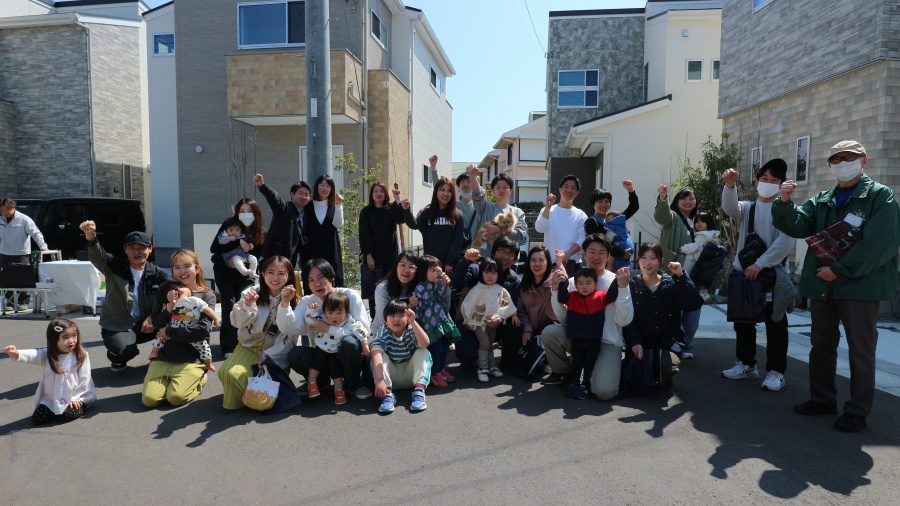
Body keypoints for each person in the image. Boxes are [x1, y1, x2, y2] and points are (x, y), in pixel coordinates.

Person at [773, 140, 899, 432]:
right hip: (823, 285)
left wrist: (840, 270)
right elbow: (798, 225)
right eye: (837, 159)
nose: (843, 163)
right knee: (821, 345)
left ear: (864, 161)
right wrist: (784, 202)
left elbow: (879, 244)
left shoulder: (880, 196)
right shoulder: (823, 199)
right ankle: (822, 398)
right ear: (829, 165)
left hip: (860, 286)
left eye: (849, 158)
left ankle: (857, 410)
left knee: (860, 349)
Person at [720, 161, 795, 391]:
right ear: (756, 181)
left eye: (774, 180)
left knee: (776, 324)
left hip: (773, 276)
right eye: (765, 179)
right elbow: (729, 208)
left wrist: (760, 264)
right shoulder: (747, 208)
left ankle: (776, 372)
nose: (769, 184)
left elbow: (785, 243)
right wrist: (729, 186)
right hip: (745, 274)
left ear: (782, 185)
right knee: (743, 322)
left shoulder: (787, 210)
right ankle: (746, 364)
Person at [541, 234, 634, 401]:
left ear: (608, 256)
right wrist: (555, 290)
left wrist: (624, 288)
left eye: (601, 252)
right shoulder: (573, 282)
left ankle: (596, 373)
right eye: (592, 251)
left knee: (604, 392)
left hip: (607, 343)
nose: (596, 256)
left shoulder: (617, 281)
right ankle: (565, 372)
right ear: (584, 254)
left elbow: (624, 321)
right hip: (579, 338)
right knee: (550, 332)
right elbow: (564, 319)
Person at [80, 221, 171, 372]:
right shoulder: (113, 266)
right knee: (124, 350)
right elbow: (97, 255)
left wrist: (154, 316)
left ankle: (166, 355)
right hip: (120, 325)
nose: (137, 252)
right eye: (132, 248)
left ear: (150, 249)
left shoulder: (159, 274)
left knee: (178, 326)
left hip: (149, 324)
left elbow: (175, 296)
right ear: (125, 249)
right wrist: (90, 235)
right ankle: (117, 355)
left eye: (141, 247)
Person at [218, 255, 300, 410]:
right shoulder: (251, 293)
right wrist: (248, 305)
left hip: (275, 351)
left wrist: (285, 304)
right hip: (249, 346)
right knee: (229, 374)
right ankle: (251, 394)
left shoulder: (294, 300)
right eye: (270, 272)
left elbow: (290, 339)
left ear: (289, 276)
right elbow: (237, 322)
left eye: (281, 273)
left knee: (259, 401)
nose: (275, 278)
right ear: (263, 274)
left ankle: (255, 395)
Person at [284, 258, 373, 400]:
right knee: (295, 354)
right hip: (322, 353)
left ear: (331, 276)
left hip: (346, 354)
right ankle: (320, 382)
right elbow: (290, 327)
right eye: (311, 280)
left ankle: (353, 384)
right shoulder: (307, 302)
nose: (317, 283)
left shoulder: (349, 296)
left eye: (321, 277)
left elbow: (364, 330)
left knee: (350, 343)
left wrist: (329, 328)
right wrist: (284, 304)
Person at [142, 249, 216, 408]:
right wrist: (170, 306)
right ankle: (171, 379)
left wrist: (168, 332)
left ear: (197, 268)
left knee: (176, 398)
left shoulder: (206, 295)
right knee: (150, 400)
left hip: (192, 357)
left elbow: (201, 331)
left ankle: (200, 377)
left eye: (187, 266)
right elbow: (157, 322)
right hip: (165, 355)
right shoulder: (166, 290)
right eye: (177, 267)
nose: (182, 271)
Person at [623, 243, 702, 390]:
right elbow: (628, 319)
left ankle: (661, 372)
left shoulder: (671, 284)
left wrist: (681, 276)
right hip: (641, 344)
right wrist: (634, 341)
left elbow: (694, 304)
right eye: (643, 257)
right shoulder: (632, 284)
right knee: (637, 384)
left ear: (661, 261)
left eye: (653, 258)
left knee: (666, 366)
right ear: (638, 260)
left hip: (666, 344)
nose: (648, 262)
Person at [550, 266, 623, 399]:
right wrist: (564, 281)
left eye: (588, 283)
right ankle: (573, 383)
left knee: (589, 363)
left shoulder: (600, 296)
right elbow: (561, 298)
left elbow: (612, 295)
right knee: (577, 362)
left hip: (594, 340)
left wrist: (617, 280)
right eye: (580, 283)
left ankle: (585, 385)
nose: (584, 287)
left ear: (595, 284)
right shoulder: (572, 297)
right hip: (577, 339)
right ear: (575, 285)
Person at [3, 318, 95, 424]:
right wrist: (16, 353)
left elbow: (85, 378)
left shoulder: (81, 355)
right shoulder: (47, 355)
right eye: (65, 337)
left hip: (76, 396)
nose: (71, 340)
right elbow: (33, 354)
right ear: (54, 340)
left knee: (66, 415)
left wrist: (76, 398)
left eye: (74, 335)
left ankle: (85, 405)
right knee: (38, 418)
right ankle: (55, 409)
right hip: (52, 398)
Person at [451, 237, 522, 370]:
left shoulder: (514, 280)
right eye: (502, 251)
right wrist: (465, 261)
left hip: (494, 325)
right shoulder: (477, 269)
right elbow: (456, 284)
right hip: (470, 323)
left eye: (511, 254)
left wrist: (500, 318)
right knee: (467, 354)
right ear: (493, 253)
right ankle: (471, 353)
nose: (505, 257)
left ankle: (507, 360)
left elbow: (512, 306)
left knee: (516, 325)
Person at [211, 198, 266, 358]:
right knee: (229, 305)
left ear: (256, 213)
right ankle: (228, 347)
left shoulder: (259, 232)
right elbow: (214, 247)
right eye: (242, 211)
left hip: (246, 274)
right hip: (224, 271)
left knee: (244, 303)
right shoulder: (229, 224)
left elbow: (258, 255)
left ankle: (245, 341)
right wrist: (238, 243)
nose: (245, 214)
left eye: (249, 211)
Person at [655, 184, 702, 359]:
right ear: (676, 202)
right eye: (684, 198)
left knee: (693, 314)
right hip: (673, 275)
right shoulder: (673, 217)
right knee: (674, 313)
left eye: (691, 198)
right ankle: (673, 345)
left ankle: (687, 345)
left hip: (694, 277)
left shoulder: (699, 222)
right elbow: (661, 216)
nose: (688, 201)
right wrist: (662, 198)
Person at [304, 291, 369, 405]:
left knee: (335, 369)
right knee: (316, 363)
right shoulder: (322, 318)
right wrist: (311, 310)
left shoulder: (349, 321)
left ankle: (339, 390)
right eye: (330, 312)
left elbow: (360, 331)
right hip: (321, 347)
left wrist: (364, 344)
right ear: (325, 311)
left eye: (339, 313)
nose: (334, 316)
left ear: (346, 312)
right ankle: (312, 383)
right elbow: (310, 320)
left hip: (335, 351)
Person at [460, 257, 518, 383]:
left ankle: (491, 366)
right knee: (485, 343)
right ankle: (482, 368)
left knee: (490, 343)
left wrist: (509, 314)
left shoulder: (500, 289)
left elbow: (508, 303)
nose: (490, 276)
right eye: (486, 272)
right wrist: (467, 320)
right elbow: (467, 305)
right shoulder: (477, 289)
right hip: (478, 322)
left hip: (492, 322)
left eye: (493, 273)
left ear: (498, 274)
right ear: (481, 273)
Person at [370, 300, 432, 414]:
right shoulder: (383, 331)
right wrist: (379, 380)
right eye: (392, 316)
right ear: (385, 320)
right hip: (390, 378)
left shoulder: (411, 328)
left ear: (407, 318)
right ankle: (387, 395)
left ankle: (419, 392)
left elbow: (425, 343)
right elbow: (375, 352)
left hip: (410, 376)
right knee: (377, 354)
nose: (396, 319)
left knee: (423, 351)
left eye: (401, 315)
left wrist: (413, 322)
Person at [398, 173, 465, 274]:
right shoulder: (427, 212)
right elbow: (414, 225)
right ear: (436, 192)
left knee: (445, 285)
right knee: (429, 285)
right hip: (429, 265)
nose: (446, 194)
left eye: (449, 191)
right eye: (442, 190)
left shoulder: (457, 215)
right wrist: (407, 210)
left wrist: (450, 262)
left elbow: (457, 241)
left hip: (448, 267)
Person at [148, 282, 220, 372]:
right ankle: (208, 364)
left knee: (159, 339)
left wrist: (170, 305)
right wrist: (216, 319)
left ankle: (154, 353)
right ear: (181, 290)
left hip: (173, 330)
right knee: (204, 348)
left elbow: (164, 319)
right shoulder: (194, 300)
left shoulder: (170, 304)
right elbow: (207, 310)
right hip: (189, 331)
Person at [359, 181, 405, 317]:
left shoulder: (391, 208)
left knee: (391, 290)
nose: (378, 194)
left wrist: (397, 199)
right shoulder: (366, 212)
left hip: (391, 257)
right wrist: (368, 255)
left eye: (381, 191)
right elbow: (363, 235)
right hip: (373, 258)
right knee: (374, 293)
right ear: (371, 194)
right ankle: (375, 320)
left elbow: (401, 219)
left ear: (385, 194)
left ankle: (392, 318)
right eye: (376, 191)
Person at [411, 255, 457, 388]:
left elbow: (443, 291)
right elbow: (418, 308)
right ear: (423, 272)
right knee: (436, 348)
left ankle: (441, 369)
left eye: (438, 269)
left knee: (444, 347)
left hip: (441, 321)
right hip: (429, 324)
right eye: (433, 270)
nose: (437, 272)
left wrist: (442, 278)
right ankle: (435, 373)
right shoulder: (420, 288)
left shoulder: (438, 284)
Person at [466, 164, 528, 256]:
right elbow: (477, 194)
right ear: (493, 190)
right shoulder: (485, 207)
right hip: (486, 258)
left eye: (505, 187)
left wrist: (499, 230)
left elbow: (520, 236)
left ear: (510, 191)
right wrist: (472, 175)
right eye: (498, 187)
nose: (501, 190)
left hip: (509, 259)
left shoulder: (517, 212)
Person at [0, 197, 49, 311]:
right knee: (6, 279)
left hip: (21, 253)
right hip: (4, 252)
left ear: (12, 207)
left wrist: (43, 246)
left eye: (6, 210)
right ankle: (10, 302)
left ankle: (23, 301)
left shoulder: (24, 219)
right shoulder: (0, 220)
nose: (4, 213)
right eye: (1, 210)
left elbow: (36, 233)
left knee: (23, 278)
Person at [253, 174, 310, 268]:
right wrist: (262, 185)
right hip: (272, 260)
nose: (303, 197)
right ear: (292, 194)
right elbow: (274, 198)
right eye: (300, 193)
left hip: (288, 263)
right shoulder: (285, 208)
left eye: (307, 195)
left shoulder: (305, 216)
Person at [535, 175, 587, 276]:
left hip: (572, 263)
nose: (569, 190)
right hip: (549, 262)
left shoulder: (581, 215)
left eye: (573, 188)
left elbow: (582, 239)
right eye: (566, 187)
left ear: (577, 193)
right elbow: (539, 228)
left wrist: (567, 255)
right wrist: (548, 207)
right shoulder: (548, 210)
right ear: (560, 190)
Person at [515, 246, 561, 358]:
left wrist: (559, 263)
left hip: (548, 328)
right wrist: (527, 330)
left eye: (541, 260)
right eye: (533, 260)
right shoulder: (523, 285)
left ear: (548, 262)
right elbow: (520, 312)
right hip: (528, 327)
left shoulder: (554, 282)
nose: (537, 264)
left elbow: (563, 277)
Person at [584, 180, 640, 267]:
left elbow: (634, 207)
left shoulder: (614, 219)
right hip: (602, 266)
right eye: (600, 201)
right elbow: (600, 244)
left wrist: (630, 190)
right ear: (593, 204)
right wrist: (622, 254)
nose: (604, 205)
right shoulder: (591, 222)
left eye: (606, 201)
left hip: (622, 265)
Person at [303, 175, 344, 287]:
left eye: (328, 186)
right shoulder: (308, 206)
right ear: (317, 186)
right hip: (311, 251)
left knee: (333, 282)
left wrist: (338, 205)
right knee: (312, 280)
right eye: (322, 185)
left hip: (331, 250)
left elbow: (338, 224)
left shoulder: (334, 205)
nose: (325, 188)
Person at [371, 250, 421, 332]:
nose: (406, 270)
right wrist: (410, 307)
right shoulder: (382, 289)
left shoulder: (420, 287)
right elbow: (384, 320)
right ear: (396, 266)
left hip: (412, 333)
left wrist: (442, 282)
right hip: (384, 333)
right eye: (403, 265)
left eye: (412, 267)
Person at [679, 212, 720, 299]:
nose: (699, 223)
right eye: (697, 221)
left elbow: (696, 246)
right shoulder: (711, 233)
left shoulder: (702, 235)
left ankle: (700, 297)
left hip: (701, 261)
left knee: (689, 279)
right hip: (708, 262)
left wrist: (683, 249)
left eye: (702, 221)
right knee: (701, 282)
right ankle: (703, 296)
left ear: (708, 222)